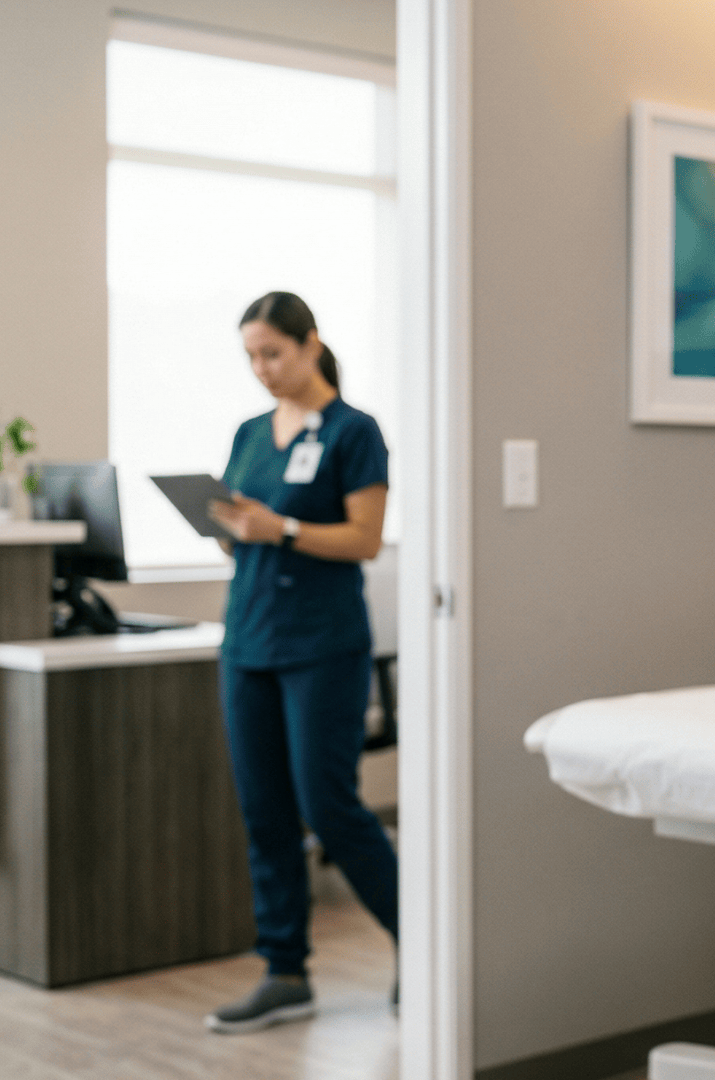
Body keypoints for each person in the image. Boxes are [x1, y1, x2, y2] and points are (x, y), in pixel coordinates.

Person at [202, 291, 399, 1034]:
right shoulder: (251, 432)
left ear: (311, 344)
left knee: (328, 806)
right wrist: (229, 526)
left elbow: (364, 539)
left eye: (273, 353)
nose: (262, 369)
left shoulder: (355, 431)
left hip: (322, 643)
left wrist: (277, 525)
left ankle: (422, 939)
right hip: (249, 638)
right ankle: (285, 971)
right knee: (266, 812)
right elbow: (238, 529)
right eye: (251, 356)